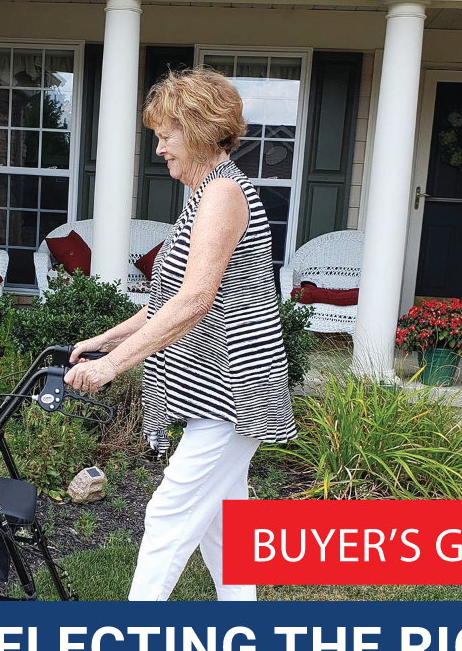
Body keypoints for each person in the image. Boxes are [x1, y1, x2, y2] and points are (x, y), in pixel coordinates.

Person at [63, 66, 297, 602]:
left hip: (235, 392)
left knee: (169, 515)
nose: (160, 149)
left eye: (165, 136)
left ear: (196, 129)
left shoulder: (223, 195)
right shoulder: (205, 195)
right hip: (219, 391)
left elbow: (195, 302)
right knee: (222, 525)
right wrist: (106, 341)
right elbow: (165, 304)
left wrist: (111, 367)